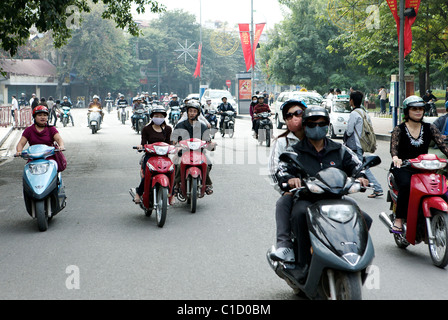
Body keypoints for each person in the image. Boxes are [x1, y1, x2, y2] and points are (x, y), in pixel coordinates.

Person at [271, 106, 371, 267]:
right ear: (305, 126)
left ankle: (355, 259)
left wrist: (361, 176)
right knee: (299, 215)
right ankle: (302, 263)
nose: (317, 127)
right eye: (311, 124)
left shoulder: (339, 149)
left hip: (336, 199)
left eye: (321, 123)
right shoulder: (295, 151)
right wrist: (290, 179)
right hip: (308, 200)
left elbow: (357, 165)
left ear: (327, 125)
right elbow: (282, 169)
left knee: (364, 218)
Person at [390, 95, 448, 234]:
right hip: (404, 167)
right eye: (414, 109)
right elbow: (394, 149)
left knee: (441, 186)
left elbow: (442, 145)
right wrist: (396, 158)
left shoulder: (430, 127)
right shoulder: (399, 129)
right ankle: (399, 219)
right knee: (406, 185)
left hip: (424, 168)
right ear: (407, 111)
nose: (418, 112)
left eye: (421, 109)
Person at [268, 99, 307, 253]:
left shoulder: (318, 139)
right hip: (295, 191)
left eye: (298, 113)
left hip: (321, 189)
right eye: (289, 116)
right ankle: (284, 246)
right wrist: (285, 188)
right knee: (283, 203)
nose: (294, 118)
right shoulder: (282, 142)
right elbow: (273, 170)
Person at [171, 101, 216, 195]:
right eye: (190, 111)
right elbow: (174, 139)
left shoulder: (203, 126)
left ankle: (206, 184)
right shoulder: (180, 125)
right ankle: (177, 184)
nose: (192, 113)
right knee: (177, 164)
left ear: (198, 113)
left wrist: (211, 145)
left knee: (208, 164)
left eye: (194, 111)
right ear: (187, 112)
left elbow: (208, 140)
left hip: (199, 153)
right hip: (183, 152)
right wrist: (176, 145)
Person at [345, 90, 383, 198]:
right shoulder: (364, 113)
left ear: (351, 100)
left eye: (350, 99)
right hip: (362, 144)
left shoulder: (354, 114)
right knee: (361, 165)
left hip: (355, 145)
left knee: (362, 167)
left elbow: (349, 131)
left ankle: (377, 188)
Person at [132, 106, 173, 205]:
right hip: (150, 156)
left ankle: (173, 194)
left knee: (171, 172)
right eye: (156, 116)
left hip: (164, 157)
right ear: (152, 117)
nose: (158, 118)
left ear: (164, 117)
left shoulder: (168, 129)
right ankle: (138, 193)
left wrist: (176, 147)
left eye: (160, 116)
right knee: (147, 175)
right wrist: (140, 146)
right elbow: (143, 143)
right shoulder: (146, 129)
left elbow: (169, 143)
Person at [15, 105, 65, 169]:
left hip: (49, 158)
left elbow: (59, 139)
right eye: (39, 115)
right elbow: (21, 143)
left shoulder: (51, 129)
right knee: (27, 170)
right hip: (33, 158)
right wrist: (19, 151)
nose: (42, 117)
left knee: (53, 167)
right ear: (34, 117)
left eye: (45, 115)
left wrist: (61, 146)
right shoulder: (29, 130)